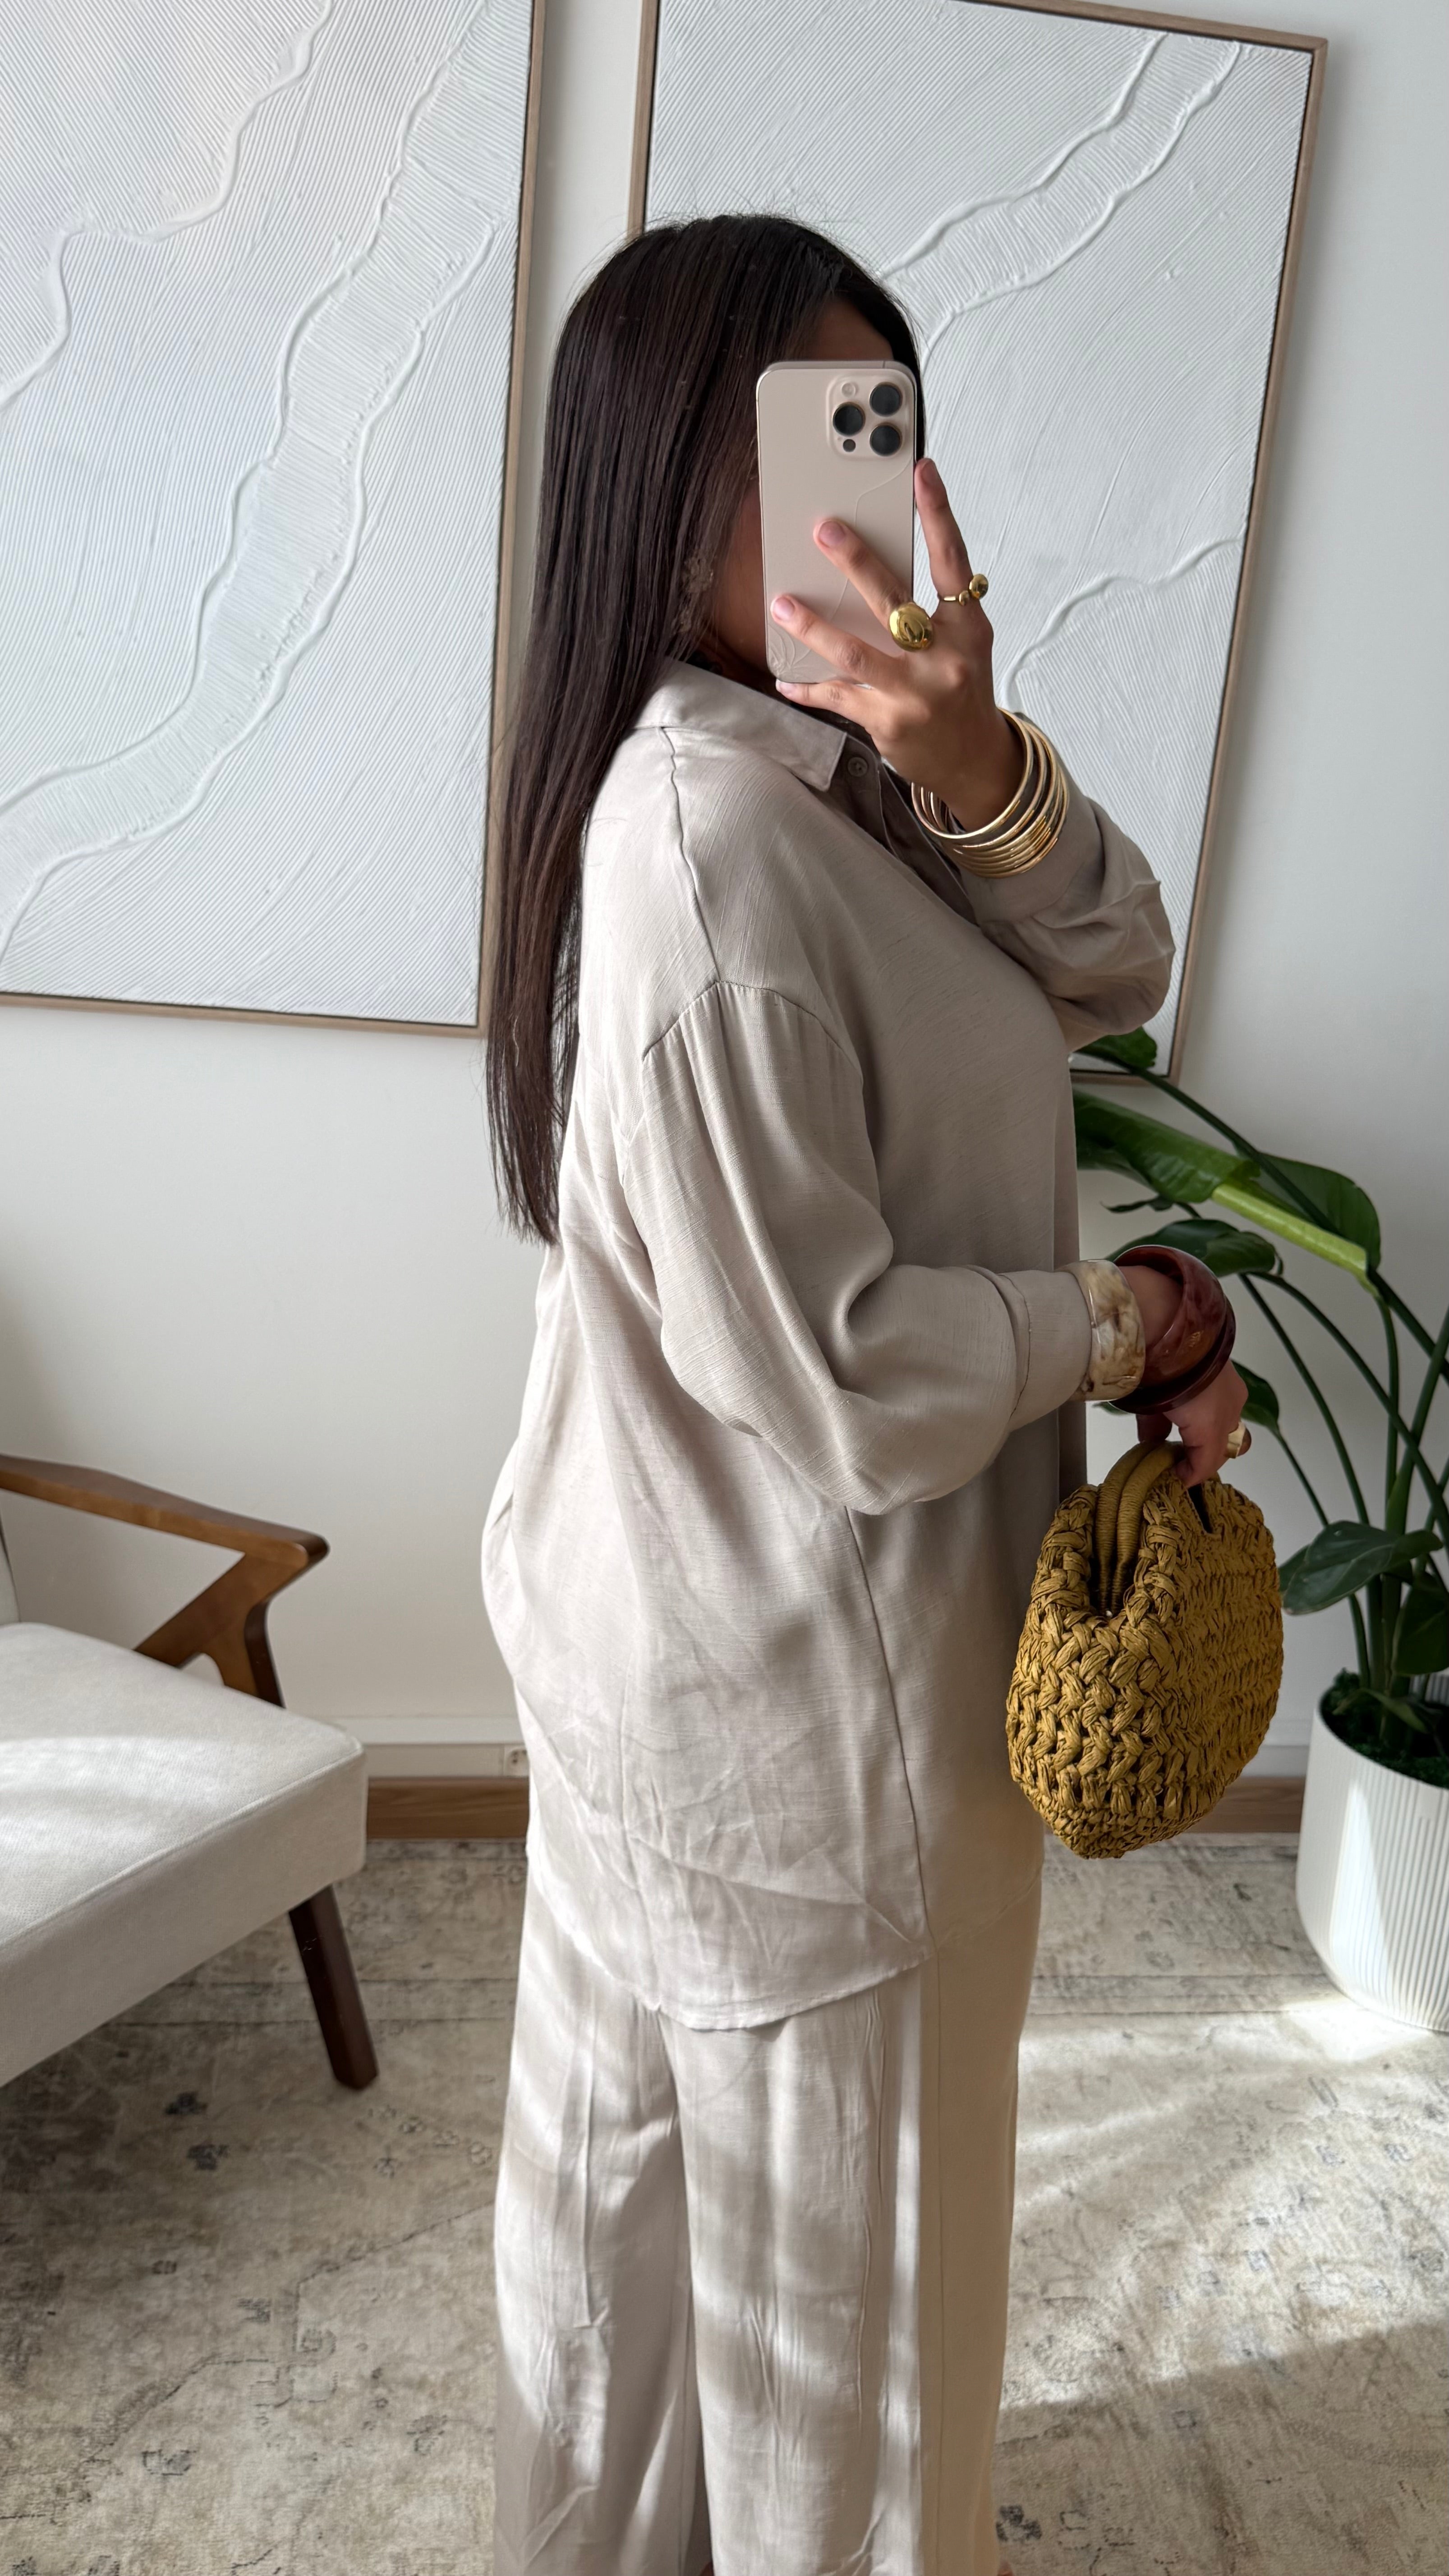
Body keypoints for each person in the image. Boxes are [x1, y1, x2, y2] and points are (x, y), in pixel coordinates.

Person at [481, 213, 1246, 2576]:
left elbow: (1115, 959)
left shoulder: (839, 779)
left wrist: (978, 758)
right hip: (822, 1731)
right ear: (653, 485)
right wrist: (1128, 1322)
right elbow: (840, 1379)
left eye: (881, 433)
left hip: (680, 1665)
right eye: (801, 442)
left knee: (626, 2275)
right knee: (855, 2350)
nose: (865, 507)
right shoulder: (713, 853)